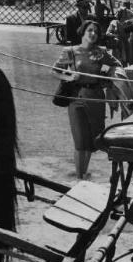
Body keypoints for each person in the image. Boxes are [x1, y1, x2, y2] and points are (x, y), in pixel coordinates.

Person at [52, 20, 122, 178]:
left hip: (96, 98)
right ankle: (79, 176)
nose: (93, 34)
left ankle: (83, 173)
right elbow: (54, 71)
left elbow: (117, 65)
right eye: (90, 30)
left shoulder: (101, 52)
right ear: (83, 32)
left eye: (96, 32)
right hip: (77, 98)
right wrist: (68, 77)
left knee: (91, 141)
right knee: (80, 140)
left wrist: (107, 75)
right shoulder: (70, 51)